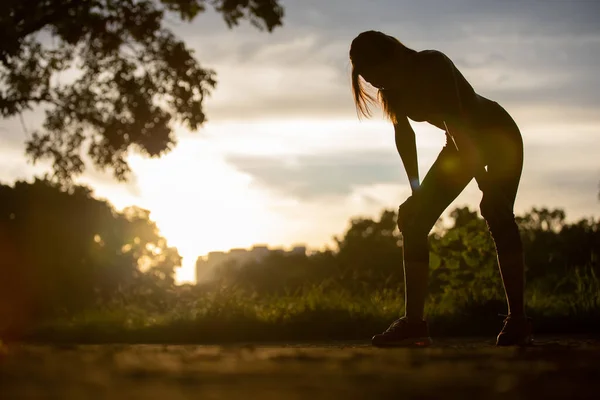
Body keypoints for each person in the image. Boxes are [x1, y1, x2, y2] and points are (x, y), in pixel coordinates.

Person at [349, 30, 533, 347]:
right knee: (414, 221)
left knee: (497, 212)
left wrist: (486, 184)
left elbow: (459, 124)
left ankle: (518, 320)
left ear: (392, 55)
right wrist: (416, 192)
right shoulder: (391, 90)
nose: (376, 84)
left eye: (377, 74)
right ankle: (415, 324)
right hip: (458, 145)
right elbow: (405, 137)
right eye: (369, 80)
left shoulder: (433, 64)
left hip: (497, 135)